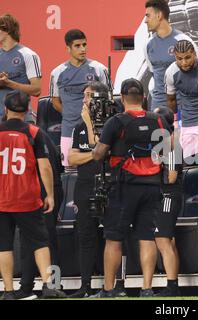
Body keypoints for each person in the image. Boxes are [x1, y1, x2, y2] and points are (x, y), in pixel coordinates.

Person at [92, 78, 168, 298]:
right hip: (152, 185)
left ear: (122, 98)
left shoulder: (116, 122)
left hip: (124, 186)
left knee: (114, 238)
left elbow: (98, 154)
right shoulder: (159, 120)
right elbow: (170, 145)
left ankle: (108, 290)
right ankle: (146, 288)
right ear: (144, 97)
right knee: (146, 237)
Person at [0, 90, 65, 300]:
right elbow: (45, 167)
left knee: (4, 245)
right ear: (28, 109)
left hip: (1, 198)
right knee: (40, 242)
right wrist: (50, 195)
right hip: (27, 198)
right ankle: (48, 286)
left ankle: (8, 291)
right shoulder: (34, 132)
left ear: (5, 108)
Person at [66, 81, 110, 298]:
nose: (84, 100)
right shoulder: (79, 127)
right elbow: (71, 158)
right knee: (85, 235)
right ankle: (85, 286)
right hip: (84, 187)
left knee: (113, 236)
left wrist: (93, 152)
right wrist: (93, 154)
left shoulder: (112, 123)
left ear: (100, 99)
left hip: (109, 185)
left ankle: (112, 285)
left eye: (88, 96)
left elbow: (103, 153)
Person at [50, 29, 111, 168]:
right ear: (68, 48)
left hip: (96, 129)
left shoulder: (99, 69)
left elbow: (108, 98)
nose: (83, 49)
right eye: (77, 46)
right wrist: (70, 114)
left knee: (99, 165)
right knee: (69, 169)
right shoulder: (57, 73)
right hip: (68, 128)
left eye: (84, 44)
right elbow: (55, 101)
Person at [15, 129, 64, 300]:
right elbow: (58, 165)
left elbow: (49, 167)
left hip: (43, 189)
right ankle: (32, 285)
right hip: (46, 188)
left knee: (43, 239)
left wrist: (48, 194)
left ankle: (49, 284)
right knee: (42, 239)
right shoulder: (42, 135)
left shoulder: (31, 136)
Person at [144, 0, 197, 111]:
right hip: (158, 105)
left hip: (183, 105)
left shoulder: (184, 41)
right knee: (158, 130)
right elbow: (153, 74)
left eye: (148, 16)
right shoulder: (148, 45)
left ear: (159, 15)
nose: (145, 20)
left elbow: (197, 72)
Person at [152, 107, 183, 297]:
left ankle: (171, 285)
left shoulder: (171, 145)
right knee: (169, 240)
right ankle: (173, 285)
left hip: (168, 195)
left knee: (163, 239)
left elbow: (171, 177)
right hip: (164, 195)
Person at [0, 14, 41, 122]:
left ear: (6, 29)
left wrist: (9, 83)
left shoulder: (28, 55)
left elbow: (36, 90)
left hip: (22, 120)